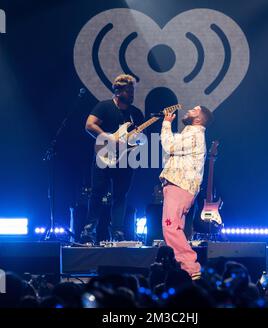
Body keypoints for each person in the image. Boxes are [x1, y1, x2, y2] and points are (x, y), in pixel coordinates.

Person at [82, 74, 144, 242]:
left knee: (121, 195)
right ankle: (89, 229)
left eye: (133, 91)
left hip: (125, 159)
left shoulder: (135, 114)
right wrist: (107, 137)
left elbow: (140, 139)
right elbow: (89, 125)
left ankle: (117, 231)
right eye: (129, 91)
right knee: (97, 192)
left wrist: (136, 141)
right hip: (104, 155)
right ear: (118, 91)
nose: (132, 95)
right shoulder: (104, 107)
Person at [159, 105, 213, 279]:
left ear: (199, 118)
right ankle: (183, 269)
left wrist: (166, 123)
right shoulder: (191, 133)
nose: (189, 110)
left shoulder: (194, 133)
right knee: (175, 227)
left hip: (180, 186)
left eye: (194, 110)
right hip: (179, 186)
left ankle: (190, 266)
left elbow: (169, 146)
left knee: (170, 227)